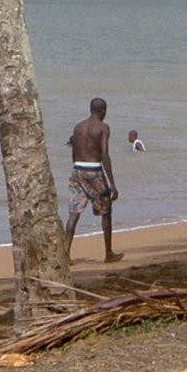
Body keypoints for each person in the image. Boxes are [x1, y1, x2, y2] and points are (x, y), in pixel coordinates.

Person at [63, 98, 121, 263]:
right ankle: (108, 253)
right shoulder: (103, 128)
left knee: (74, 213)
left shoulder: (78, 127)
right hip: (93, 170)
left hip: (77, 170)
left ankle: (66, 253)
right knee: (106, 211)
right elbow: (104, 155)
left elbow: (74, 151)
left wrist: (77, 169)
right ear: (103, 111)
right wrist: (112, 184)